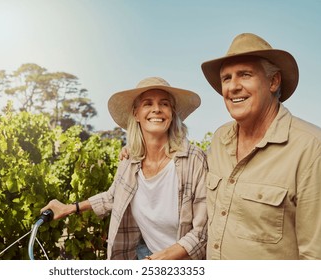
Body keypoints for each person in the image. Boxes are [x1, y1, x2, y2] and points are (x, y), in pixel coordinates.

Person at [41, 77, 208, 260]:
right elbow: (112, 196)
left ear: (172, 113)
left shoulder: (194, 159)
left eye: (164, 103)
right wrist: (68, 208)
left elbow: (202, 232)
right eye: (147, 103)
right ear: (136, 114)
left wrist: (155, 261)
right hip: (146, 254)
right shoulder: (130, 162)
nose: (156, 109)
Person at [201, 33, 321, 259]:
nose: (233, 87)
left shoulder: (312, 148)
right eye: (226, 78)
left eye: (245, 75)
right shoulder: (219, 139)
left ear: (273, 81)